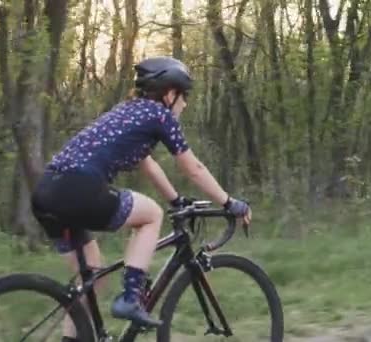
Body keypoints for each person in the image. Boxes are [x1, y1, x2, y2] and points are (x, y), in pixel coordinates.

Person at [30, 56, 251, 342]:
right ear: (170, 95)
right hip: (79, 188)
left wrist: (176, 200)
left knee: (92, 280)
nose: (184, 105)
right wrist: (229, 202)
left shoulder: (129, 111)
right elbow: (193, 168)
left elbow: (148, 164)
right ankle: (131, 297)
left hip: (47, 192)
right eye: (184, 98)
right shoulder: (160, 116)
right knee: (151, 215)